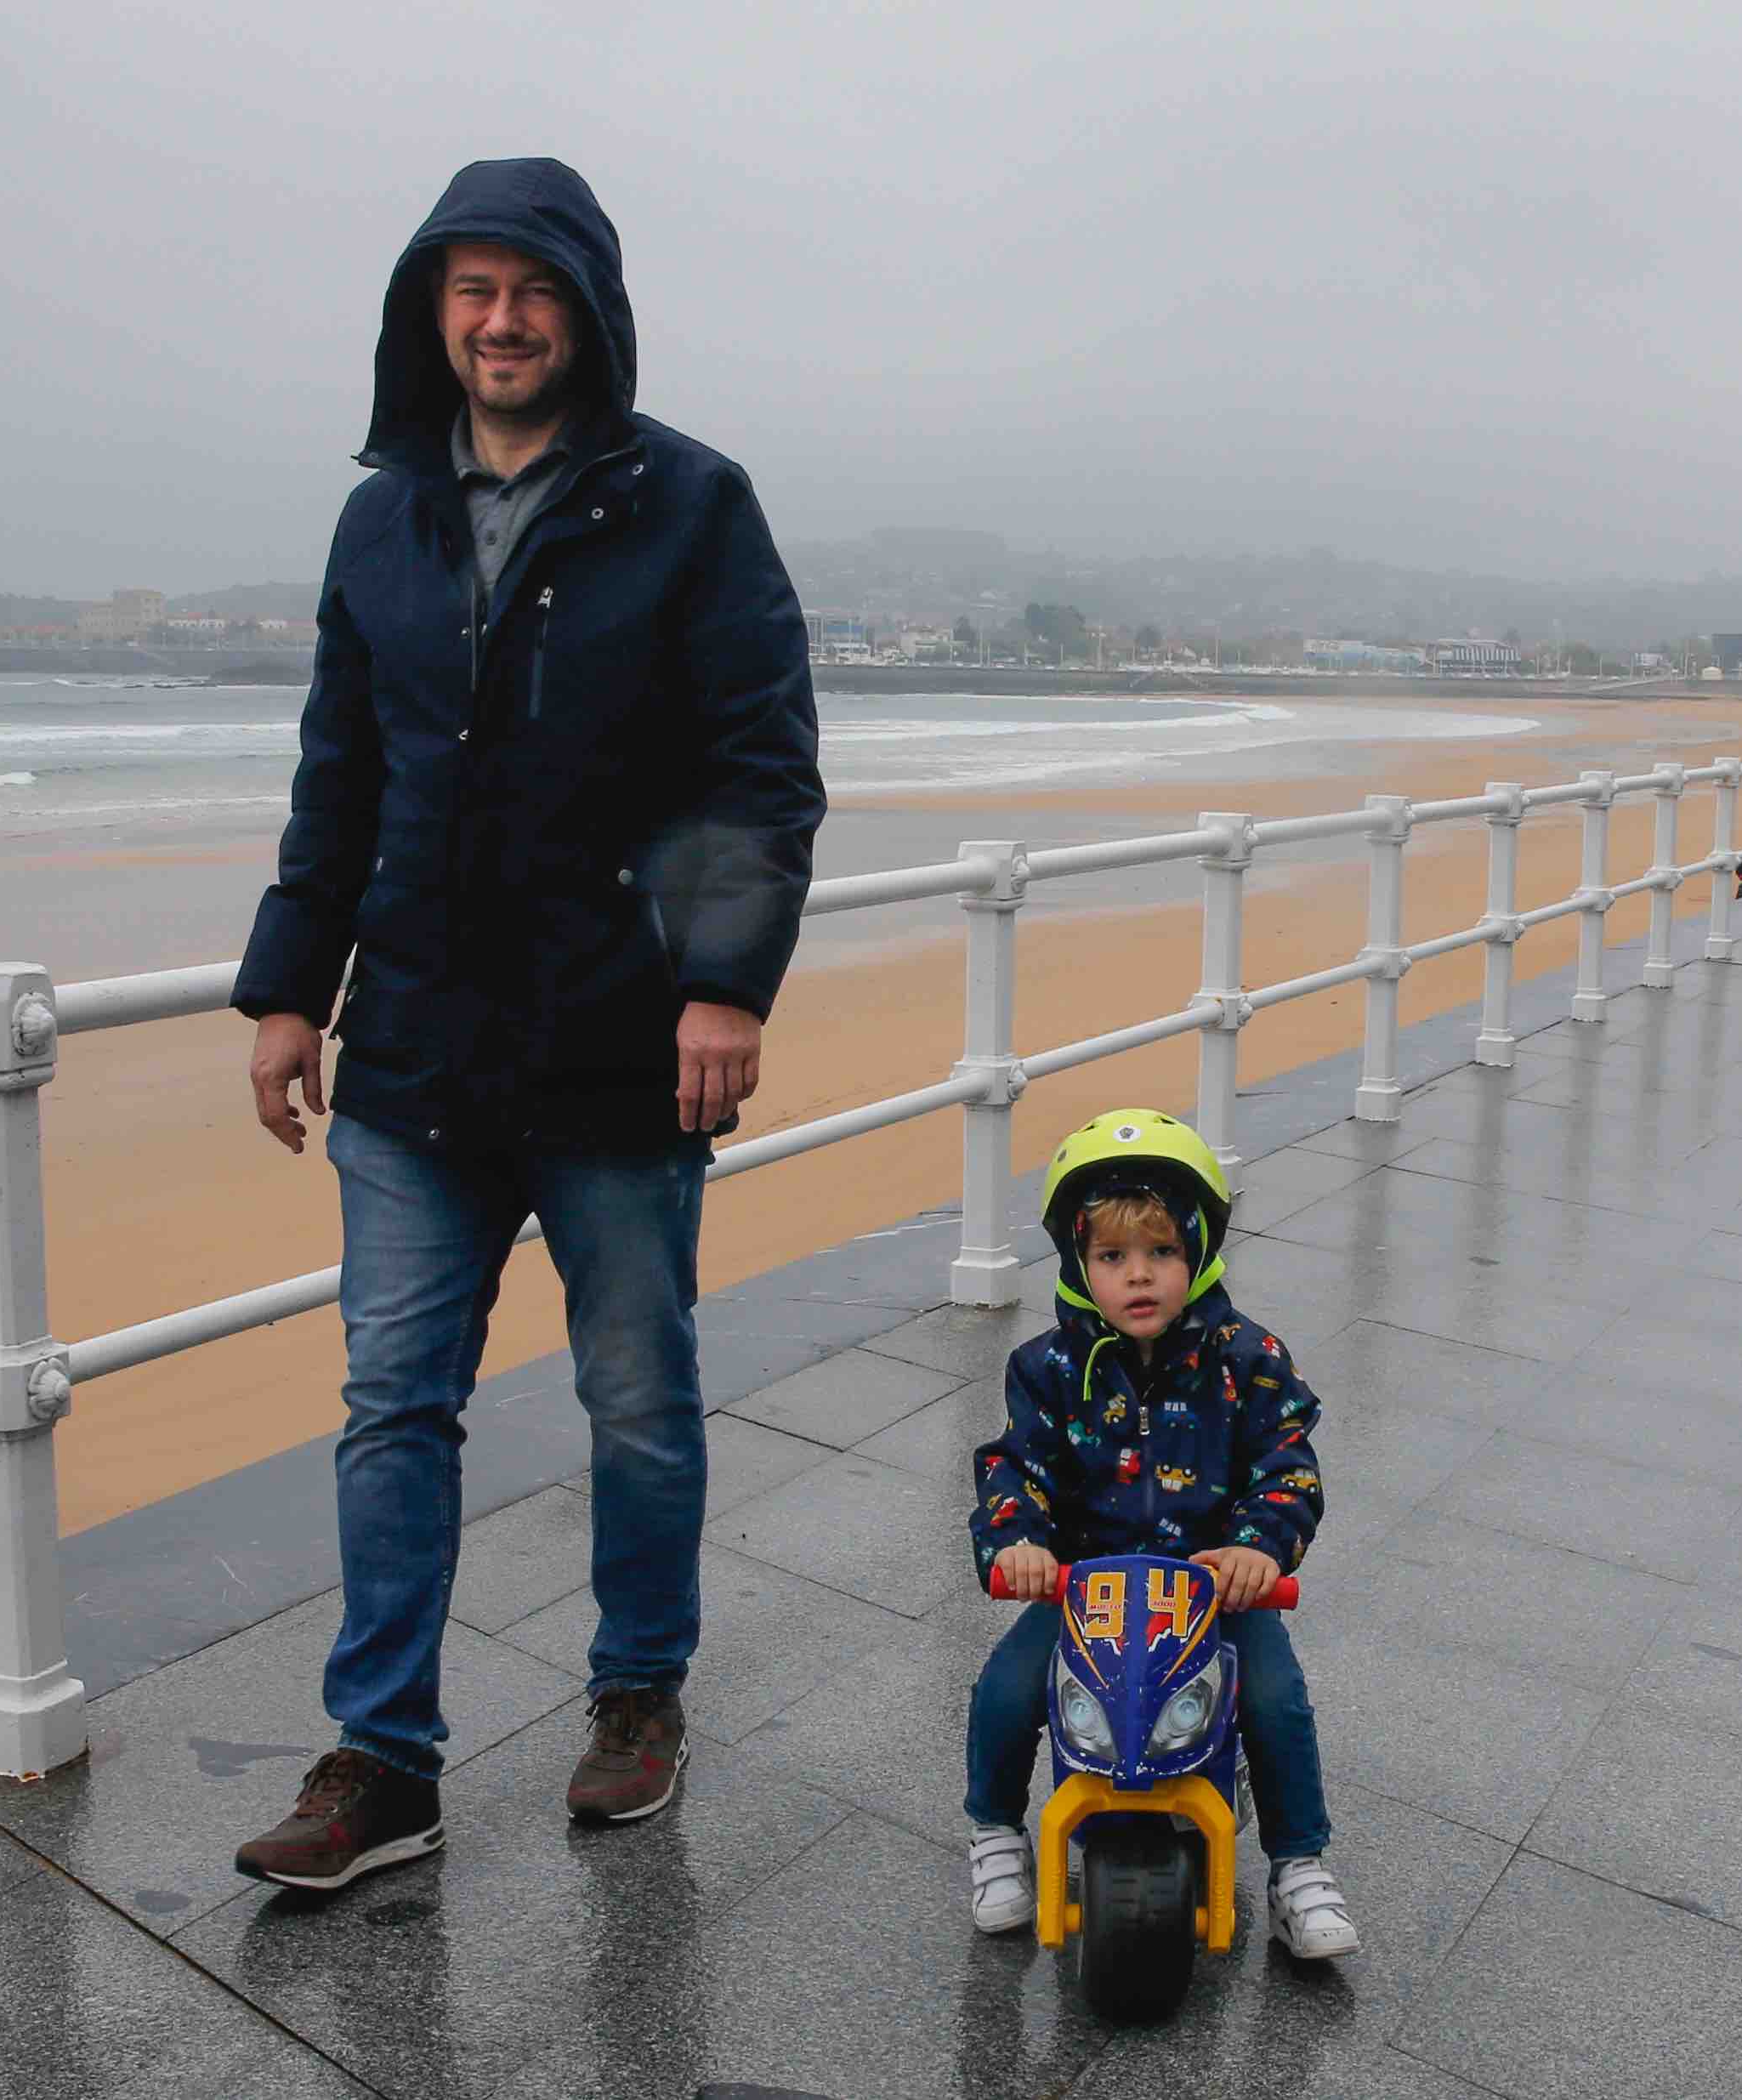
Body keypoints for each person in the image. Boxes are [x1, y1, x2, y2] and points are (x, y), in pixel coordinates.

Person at [228, 158, 824, 1890]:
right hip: (411, 1047)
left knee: (636, 1396)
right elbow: (342, 777)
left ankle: (637, 1694)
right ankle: (381, 1759)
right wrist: (286, 985)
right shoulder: (381, 517)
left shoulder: (691, 505)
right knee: (390, 1401)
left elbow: (757, 764)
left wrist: (723, 977)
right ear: (433, 312)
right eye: (469, 288)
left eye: (531, 287)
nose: (500, 319)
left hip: (618, 1045)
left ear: (588, 307)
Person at [962, 1110, 1361, 1961]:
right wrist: (1018, 1543)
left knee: (1275, 1698)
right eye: (1112, 1258)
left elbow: (1290, 1463)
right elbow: (1015, 1465)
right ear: (1079, 1265)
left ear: (1200, 1254)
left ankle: (1298, 1863)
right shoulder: (1048, 1369)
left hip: (1216, 1588)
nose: (1138, 1277)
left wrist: (1260, 1544)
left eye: (1161, 1254)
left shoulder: (1247, 1359)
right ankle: (995, 1830)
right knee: (1005, 1688)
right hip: (1085, 1590)